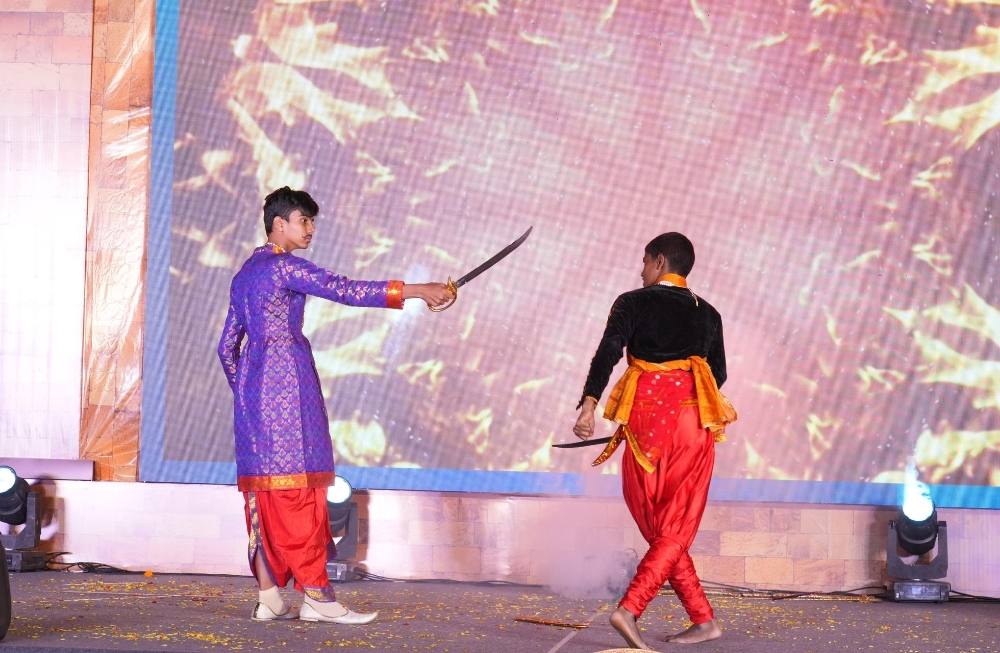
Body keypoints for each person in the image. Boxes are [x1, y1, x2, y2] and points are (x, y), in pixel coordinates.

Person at [217, 186, 452, 624]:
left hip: (253, 402)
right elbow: (344, 289)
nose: (311, 229)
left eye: (312, 221)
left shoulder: (244, 274)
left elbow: (226, 347)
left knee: (264, 497)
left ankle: (269, 597)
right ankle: (317, 599)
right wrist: (417, 290)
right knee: (300, 493)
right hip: (289, 386)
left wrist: (249, 395)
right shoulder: (283, 266)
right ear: (279, 224)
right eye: (303, 221)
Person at [573, 232, 735, 648]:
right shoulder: (709, 313)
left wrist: (590, 404)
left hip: (644, 419)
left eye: (644, 261)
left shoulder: (632, 302)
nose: (641, 269)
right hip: (691, 420)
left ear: (660, 261)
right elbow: (717, 375)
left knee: (657, 521)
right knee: (674, 525)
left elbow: (608, 350)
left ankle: (640, 609)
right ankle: (695, 618)